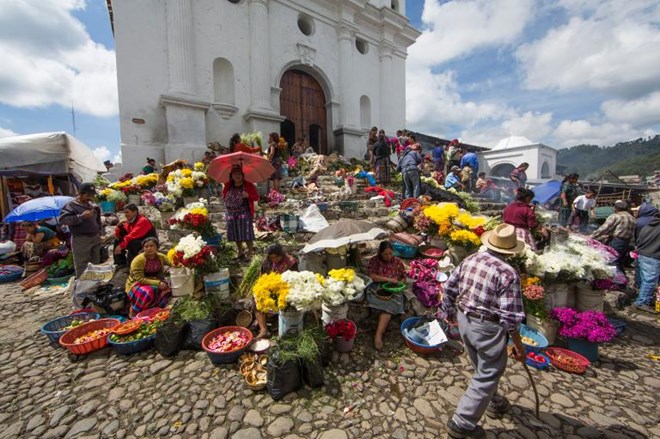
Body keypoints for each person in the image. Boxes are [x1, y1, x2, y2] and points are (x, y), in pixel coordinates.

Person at [442, 224, 527, 439]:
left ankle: (493, 401)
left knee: (482, 368)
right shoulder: (508, 273)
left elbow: (449, 288)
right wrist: (517, 344)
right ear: (510, 250)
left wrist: (450, 313)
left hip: (465, 321)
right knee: (488, 372)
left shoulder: (471, 259)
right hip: (487, 327)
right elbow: (510, 317)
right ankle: (462, 422)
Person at [367, 241, 407, 350]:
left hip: (393, 288)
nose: (388, 256)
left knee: (389, 307)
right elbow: (372, 276)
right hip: (377, 287)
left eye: (390, 253)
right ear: (380, 253)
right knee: (380, 300)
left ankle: (378, 335)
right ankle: (378, 335)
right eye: (385, 254)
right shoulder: (374, 261)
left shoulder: (398, 262)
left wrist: (400, 283)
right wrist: (387, 279)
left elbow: (403, 277)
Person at [58, 183, 103, 277]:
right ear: (80, 194)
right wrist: (81, 217)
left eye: (92, 195)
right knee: (82, 264)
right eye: (88, 195)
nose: (90, 198)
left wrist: (100, 232)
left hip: (95, 237)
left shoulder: (92, 205)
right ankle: (83, 287)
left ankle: (94, 284)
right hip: (81, 239)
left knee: (95, 262)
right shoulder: (71, 205)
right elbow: (63, 220)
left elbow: (98, 220)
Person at [255, 244, 299, 338]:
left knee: (283, 303)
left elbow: (295, 279)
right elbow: (262, 277)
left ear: (281, 255)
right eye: (272, 257)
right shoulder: (267, 261)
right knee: (256, 301)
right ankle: (263, 330)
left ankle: (276, 321)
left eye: (277, 257)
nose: (274, 259)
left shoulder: (291, 262)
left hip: (285, 289)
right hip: (269, 287)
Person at [125, 237, 171, 318]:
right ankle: (135, 311)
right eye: (146, 246)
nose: (149, 248)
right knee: (148, 291)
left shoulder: (160, 257)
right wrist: (158, 283)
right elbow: (140, 279)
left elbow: (172, 263)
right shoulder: (138, 260)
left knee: (168, 289)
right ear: (143, 248)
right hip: (137, 283)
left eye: (152, 246)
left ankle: (155, 309)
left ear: (156, 247)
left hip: (155, 280)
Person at [222, 165, 259, 260]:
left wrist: (248, 195)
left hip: (244, 213)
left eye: (239, 174)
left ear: (242, 175)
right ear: (231, 176)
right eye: (235, 174)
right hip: (232, 213)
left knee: (246, 233)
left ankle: (250, 252)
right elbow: (224, 196)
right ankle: (240, 251)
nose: (237, 176)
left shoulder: (248, 185)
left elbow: (256, 197)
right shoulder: (228, 185)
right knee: (236, 233)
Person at [591, 200, 635, 274]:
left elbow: (604, 228)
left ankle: (616, 281)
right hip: (626, 242)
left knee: (612, 261)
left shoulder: (616, 216)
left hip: (616, 241)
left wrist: (591, 236)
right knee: (620, 261)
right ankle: (622, 280)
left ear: (616, 209)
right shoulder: (632, 217)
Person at [113, 204, 157, 268]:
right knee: (117, 240)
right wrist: (118, 226)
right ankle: (120, 263)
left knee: (132, 243)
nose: (125, 215)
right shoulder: (129, 221)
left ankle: (133, 266)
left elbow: (132, 235)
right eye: (124, 212)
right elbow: (119, 235)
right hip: (139, 240)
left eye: (127, 212)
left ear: (135, 212)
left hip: (149, 242)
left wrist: (120, 246)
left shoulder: (142, 221)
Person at [633, 212, 659, 313]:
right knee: (649, 281)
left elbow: (638, 240)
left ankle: (644, 298)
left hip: (642, 254)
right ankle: (642, 302)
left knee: (646, 280)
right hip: (652, 256)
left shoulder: (647, 226)